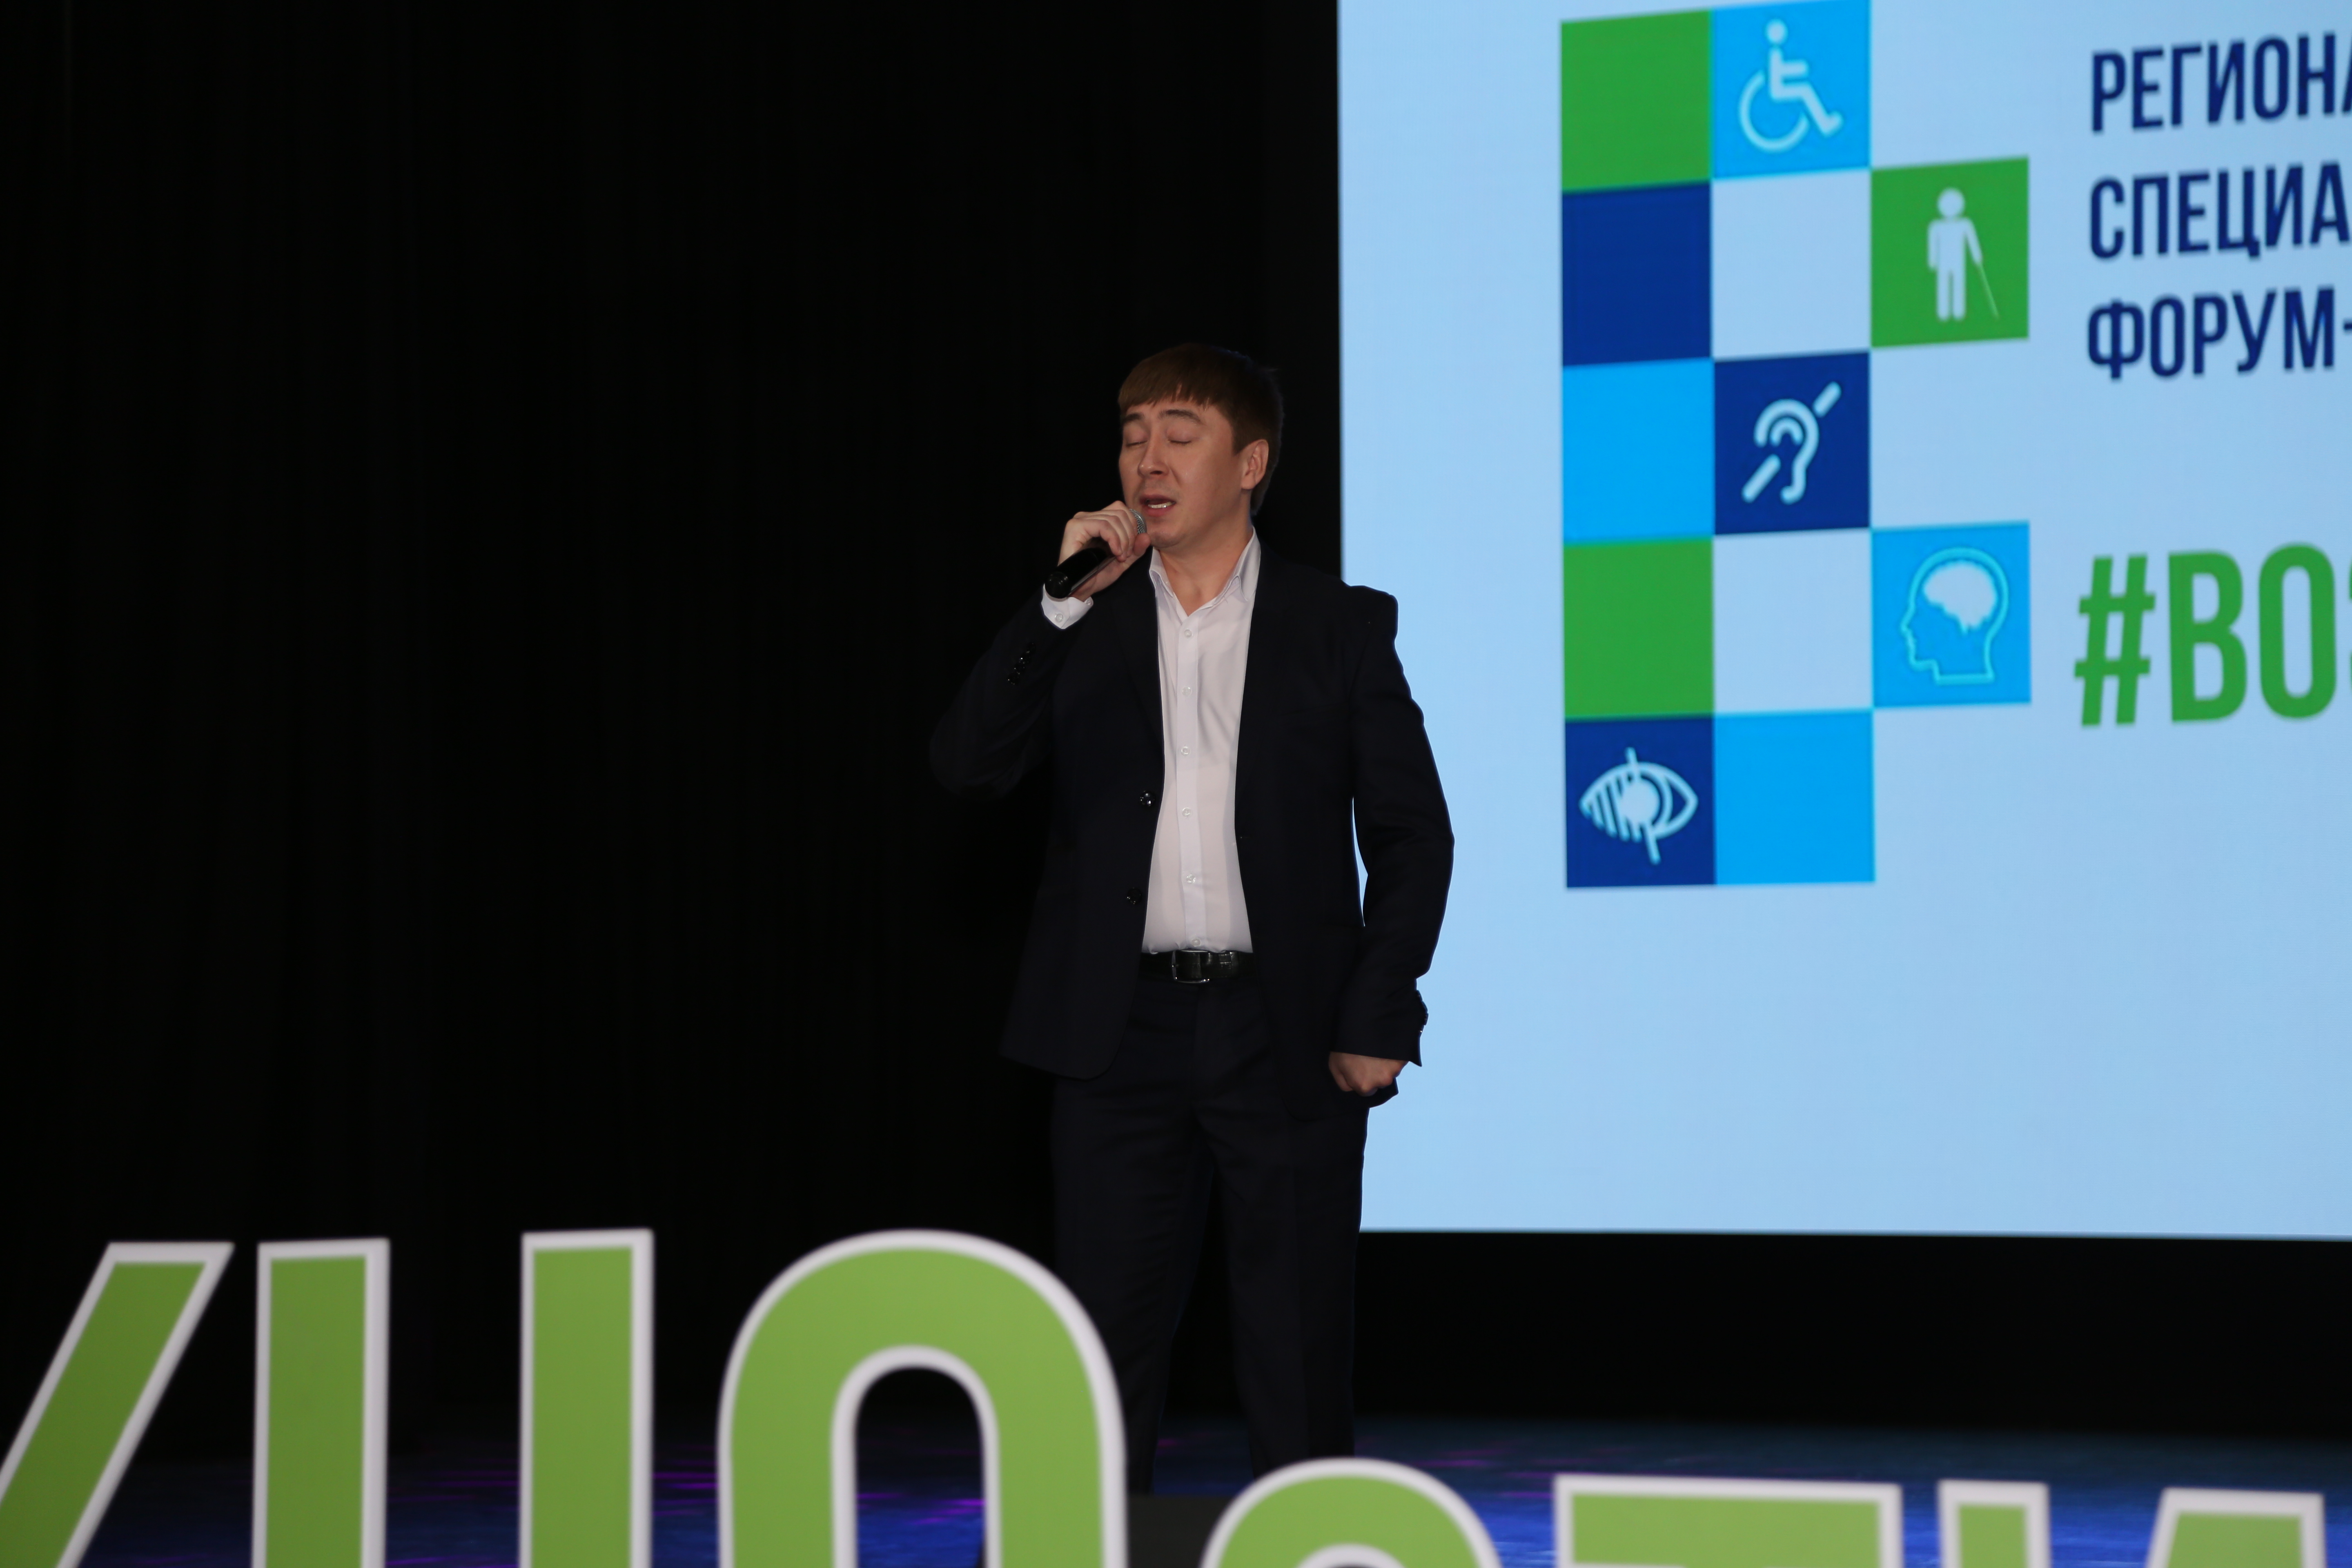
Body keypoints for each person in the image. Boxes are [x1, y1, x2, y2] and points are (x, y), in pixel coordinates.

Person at [931, 344, 1452, 1491]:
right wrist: (1058, 605)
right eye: (1132, 436)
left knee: (1295, 1350)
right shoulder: (1087, 620)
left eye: (1180, 434)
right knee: (1098, 1351)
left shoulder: (1339, 625)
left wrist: (1380, 1008)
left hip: (1287, 1028)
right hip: (1118, 1033)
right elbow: (966, 765)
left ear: (1250, 463)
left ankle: (1312, 1553)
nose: (1147, 460)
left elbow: (1414, 837)